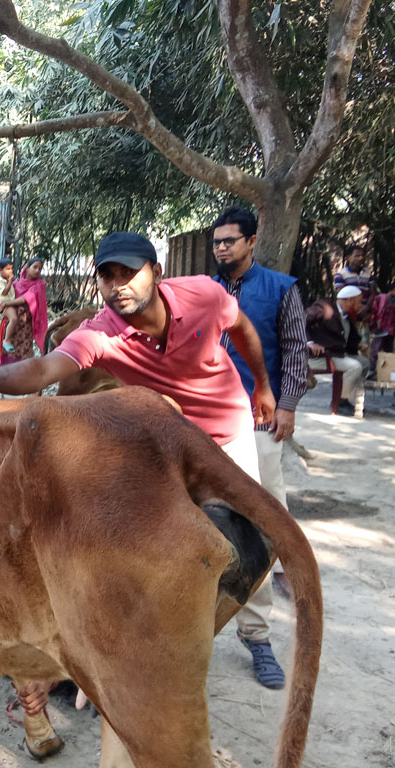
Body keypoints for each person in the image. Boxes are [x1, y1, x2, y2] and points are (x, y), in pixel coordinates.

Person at [0, 233, 281, 688]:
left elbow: (243, 330)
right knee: (160, 542)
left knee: (257, 536)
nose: (119, 284)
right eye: (107, 276)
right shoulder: (102, 333)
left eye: (129, 273)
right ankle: (146, 642)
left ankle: (257, 637)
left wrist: (262, 386)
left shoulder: (203, 294)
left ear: (155, 273)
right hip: (167, 443)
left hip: (229, 434)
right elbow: (43, 369)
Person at [211, 206, 308, 687]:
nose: (222, 247)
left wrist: (286, 405)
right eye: (217, 241)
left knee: (262, 526)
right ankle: (192, 626)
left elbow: (293, 349)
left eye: (230, 240)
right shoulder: (203, 291)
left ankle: (257, 635)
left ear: (252, 242)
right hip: (203, 428)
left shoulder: (281, 289)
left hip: (258, 424)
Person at [306, 284, 368, 417]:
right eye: (358, 302)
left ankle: (354, 398)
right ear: (349, 300)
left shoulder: (347, 315)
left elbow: (347, 340)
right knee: (354, 367)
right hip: (320, 357)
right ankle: (340, 402)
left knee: (365, 363)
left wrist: (359, 345)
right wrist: (309, 342)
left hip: (336, 355)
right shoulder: (324, 308)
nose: (359, 306)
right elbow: (300, 320)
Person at [0, 257, 48, 367]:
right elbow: (3, 295)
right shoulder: (16, 283)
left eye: (40, 269)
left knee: (22, 352)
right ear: (27, 268)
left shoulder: (39, 285)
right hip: (11, 322)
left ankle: (20, 378)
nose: (37, 270)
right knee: (8, 348)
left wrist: (6, 304)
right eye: (35, 267)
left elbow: (25, 298)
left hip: (25, 325)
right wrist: (1, 303)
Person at [368, 285, 395, 378]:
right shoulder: (380, 298)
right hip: (380, 329)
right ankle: (372, 370)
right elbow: (375, 312)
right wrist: (374, 325)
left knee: (389, 352)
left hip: (390, 330)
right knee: (376, 350)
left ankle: (388, 372)